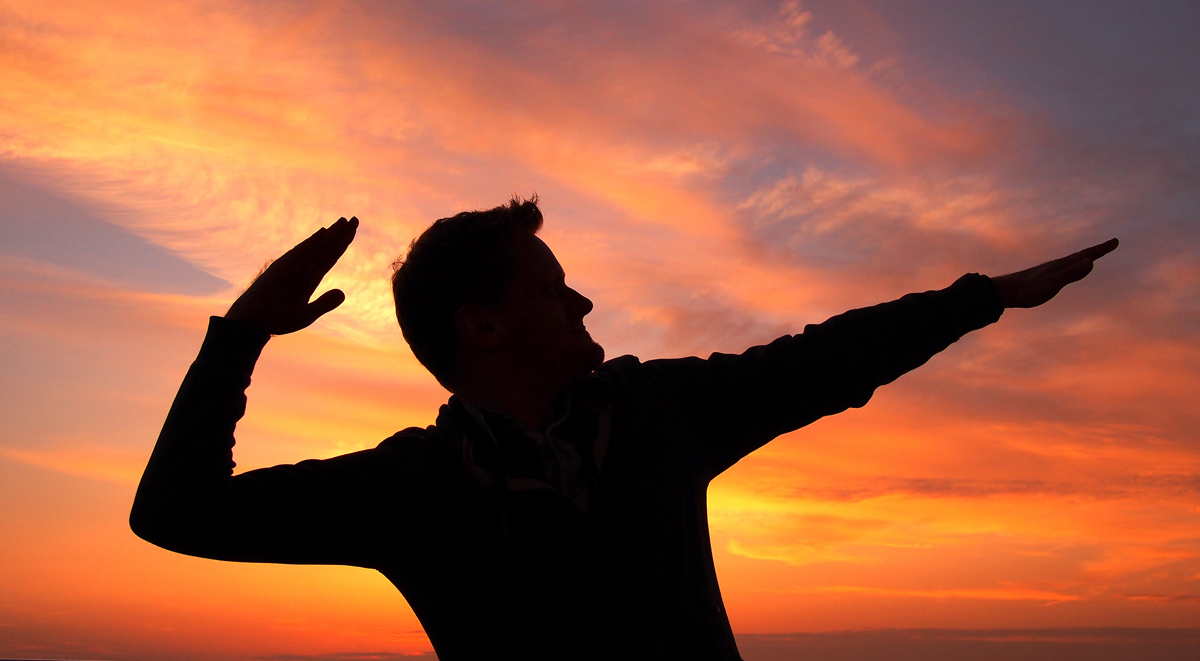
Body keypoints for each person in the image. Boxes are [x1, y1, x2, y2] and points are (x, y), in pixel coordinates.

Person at [130, 197, 1118, 660]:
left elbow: (825, 358)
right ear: (481, 325)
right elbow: (177, 511)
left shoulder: (661, 412)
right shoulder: (413, 487)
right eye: (557, 289)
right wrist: (244, 332)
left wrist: (984, 296)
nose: (586, 301)